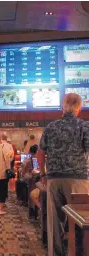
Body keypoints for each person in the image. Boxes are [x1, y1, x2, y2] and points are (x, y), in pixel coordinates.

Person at [37, 93, 89, 256]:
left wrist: (43, 175)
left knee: (55, 221)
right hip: (78, 179)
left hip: (54, 179)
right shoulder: (84, 126)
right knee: (81, 220)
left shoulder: (51, 127)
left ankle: (56, 253)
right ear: (79, 108)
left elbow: (40, 153)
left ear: (62, 107)